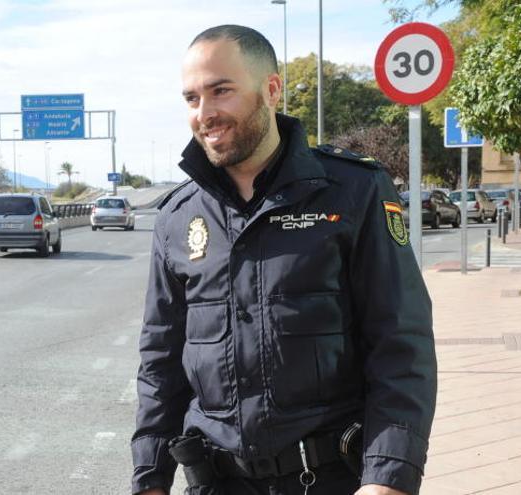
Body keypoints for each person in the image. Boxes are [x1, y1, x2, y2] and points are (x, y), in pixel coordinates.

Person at [131, 25, 436, 495]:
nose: (205, 114)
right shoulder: (177, 217)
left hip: (330, 480)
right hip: (214, 482)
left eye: (221, 91)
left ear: (272, 90)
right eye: (192, 98)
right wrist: (150, 479)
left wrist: (388, 479)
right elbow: (161, 364)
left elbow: (401, 344)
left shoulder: (354, 191)